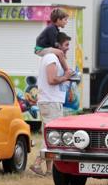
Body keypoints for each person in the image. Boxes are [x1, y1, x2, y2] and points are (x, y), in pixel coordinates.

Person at [29, 32, 74, 176]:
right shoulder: (51, 58)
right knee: (52, 137)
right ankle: (37, 163)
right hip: (51, 102)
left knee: (47, 135)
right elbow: (52, 80)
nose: (67, 48)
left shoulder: (52, 58)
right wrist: (66, 77)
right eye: (66, 45)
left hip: (51, 101)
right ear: (58, 45)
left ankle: (49, 170)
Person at [34, 8, 77, 80]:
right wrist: (61, 54)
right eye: (65, 20)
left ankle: (63, 70)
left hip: (44, 48)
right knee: (60, 52)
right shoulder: (52, 29)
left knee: (59, 53)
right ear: (58, 20)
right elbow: (53, 43)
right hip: (41, 49)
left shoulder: (55, 28)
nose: (66, 22)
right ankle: (67, 71)